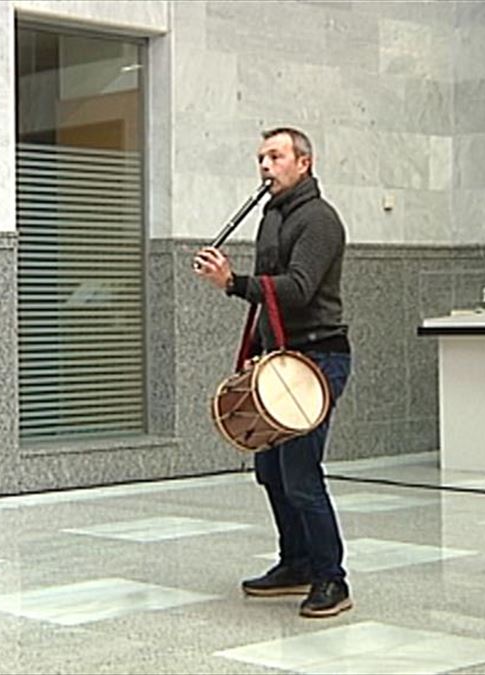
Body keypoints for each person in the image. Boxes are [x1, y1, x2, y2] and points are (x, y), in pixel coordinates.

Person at [193, 127, 353, 618]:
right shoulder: (273, 217)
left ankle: (333, 579)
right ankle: (297, 562)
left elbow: (300, 288)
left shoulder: (320, 220)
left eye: (276, 156)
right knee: (270, 470)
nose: (265, 165)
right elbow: (271, 293)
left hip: (317, 357)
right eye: (261, 157)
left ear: (304, 162)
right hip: (280, 355)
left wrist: (232, 282)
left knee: (301, 474)